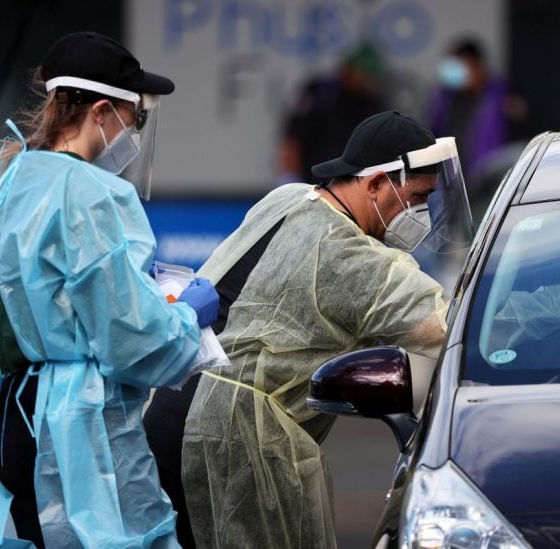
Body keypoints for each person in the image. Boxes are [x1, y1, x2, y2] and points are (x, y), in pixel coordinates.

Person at [0, 31, 219, 547]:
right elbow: (133, 341)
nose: (135, 131)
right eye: (134, 115)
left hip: (10, 414)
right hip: (79, 431)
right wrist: (186, 316)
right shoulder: (94, 196)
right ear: (102, 111)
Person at [171, 111, 471, 547]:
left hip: (171, 405)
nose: (422, 215)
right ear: (374, 184)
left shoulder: (288, 199)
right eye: (418, 199)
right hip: (228, 439)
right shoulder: (355, 258)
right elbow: (457, 327)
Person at [427, 37, 530, 219]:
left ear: (477, 66)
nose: (455, 73)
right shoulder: (444, 99)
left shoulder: (503, 96)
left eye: (460, 66)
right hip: (452, 187)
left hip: (492, 185)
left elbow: (519, 143)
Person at [278, 43, 387, 186]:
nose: (367, 80)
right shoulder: (320, 93)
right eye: (364, 73)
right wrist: (290, 176)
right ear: (349, 68)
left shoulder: (372, 103)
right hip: (311, 182)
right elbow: (294, 138)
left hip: (350, 185)